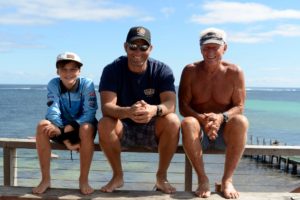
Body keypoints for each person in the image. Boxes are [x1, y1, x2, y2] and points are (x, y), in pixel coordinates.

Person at [98, 26, 180, 194]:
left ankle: (161, 177)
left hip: (153, 128)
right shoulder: (111, 70)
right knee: (105, 123)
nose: (138, 51)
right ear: (125, 47)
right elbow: (107, 107)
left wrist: (152, 110)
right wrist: (128, 111)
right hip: (124, 127)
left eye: (143, 47)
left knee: (172, 120)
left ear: (150, 48)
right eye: (133, 46)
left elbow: (170, 104)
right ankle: (117, 176)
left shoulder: (162, 70)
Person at [178, 28, 249, 199]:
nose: (210, 52)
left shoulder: (234, 72)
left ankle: (227, 180)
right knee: (187, 122)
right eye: (206, 47)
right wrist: (202, 119)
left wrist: (220, 117)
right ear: (200, 48)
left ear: (225, 48)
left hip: (225, 133)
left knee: (241, 121)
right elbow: (183, 106)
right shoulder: (190, 71)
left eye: (215, 47)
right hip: (199, 132)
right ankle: (203, 179)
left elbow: (239, 106)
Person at [32, 52, 98, 195]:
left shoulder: (87, 84)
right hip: (60, 127)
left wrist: (64, 130)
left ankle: (83, 180)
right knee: (42, 125)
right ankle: (45, 179)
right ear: (57, 71)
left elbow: (90, 112)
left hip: (80, 127)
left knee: (86, 127)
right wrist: (59, 129)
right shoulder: (53, 83)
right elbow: (52, 110)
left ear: (79, 71)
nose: (68, 73)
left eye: (73, 69)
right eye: (64, 69)